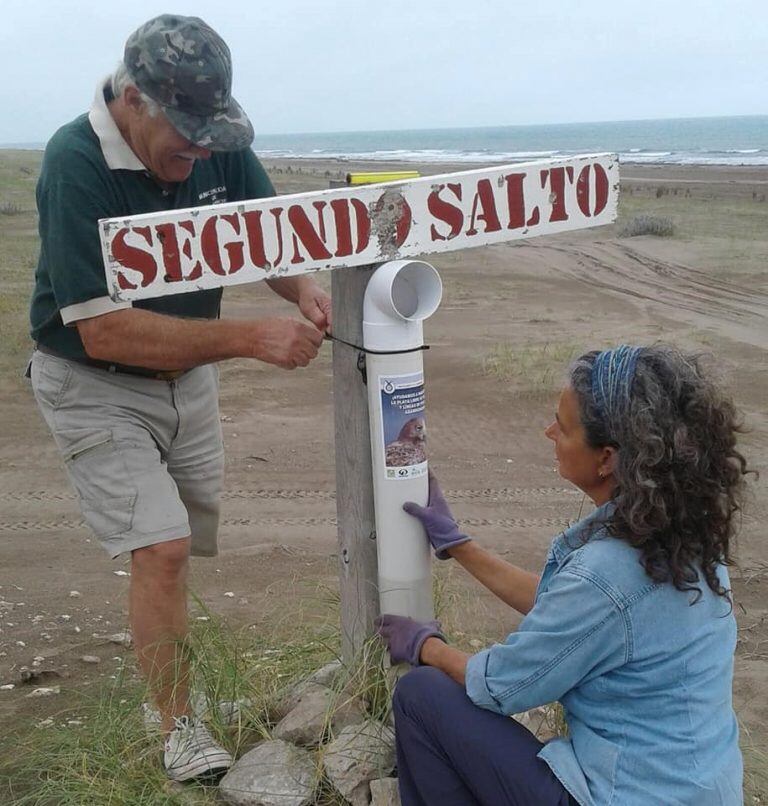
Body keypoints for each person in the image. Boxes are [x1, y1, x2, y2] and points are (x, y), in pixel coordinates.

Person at [28, 14, 331, 781]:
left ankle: (175, 691)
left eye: (209, 139)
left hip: (184, 382)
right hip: (94, 383)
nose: (197, 155)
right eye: (185, 136)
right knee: (159, 549)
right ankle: (179, 728)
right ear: (132, 100)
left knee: (178, 545)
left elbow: (267, 238)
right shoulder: (74, 161)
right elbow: (100, 332)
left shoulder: (211, 146)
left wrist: (304, 293)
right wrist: (250, 339)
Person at [377, 345, 747, 805]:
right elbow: (574, 613)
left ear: (607, 458)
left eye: (564, 427)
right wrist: (458, 545)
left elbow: (503, 685)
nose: (549, 431)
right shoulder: (688, 542)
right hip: (700, 791)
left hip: (622, 797)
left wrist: (426, 646)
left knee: (421, 695)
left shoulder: (607, 573)